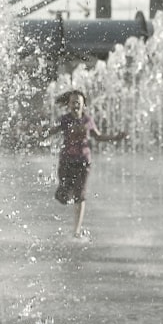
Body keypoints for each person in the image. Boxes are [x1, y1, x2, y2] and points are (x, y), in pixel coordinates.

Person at [46, 89, 126, 238]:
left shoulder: (88, 120)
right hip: (66, 162)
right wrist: (38, 133)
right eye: (72, 102)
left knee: (80, 196)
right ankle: (68, 192)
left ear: (83, 105)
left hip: (83, 163)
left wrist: (115, 138)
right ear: (68, 105)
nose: (75, 104)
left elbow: (99, 137)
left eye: (78, 102)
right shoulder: (65, 120)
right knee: (62, 196)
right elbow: (52, 131)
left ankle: (76, 230)